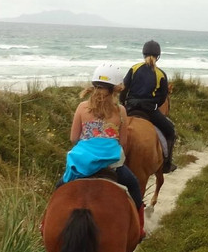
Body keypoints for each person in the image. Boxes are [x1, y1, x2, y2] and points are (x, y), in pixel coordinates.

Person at [61, 63, 146, 239]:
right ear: (115, 89)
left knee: (59, 188)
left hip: (82, 163)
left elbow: (73, 138)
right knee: (134, 184)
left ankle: (44, 224)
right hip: (111, 163)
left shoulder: (82, 107)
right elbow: (122, 142)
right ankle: (140, 228)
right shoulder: (120, 110)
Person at [120, 40, 177, 172]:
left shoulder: (134, 69)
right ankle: (166, 165)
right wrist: (154, 104)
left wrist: (123, 103)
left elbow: (124, 88)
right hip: (149, 110)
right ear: (158, 56)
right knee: (170, 131)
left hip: (130, 108)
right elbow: (163, 96)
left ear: (143, 54)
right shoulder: (160, 74)